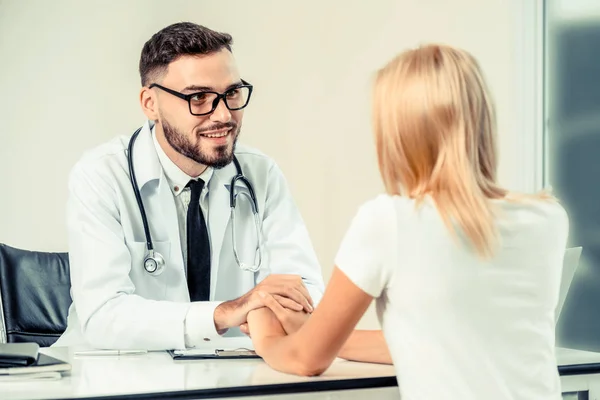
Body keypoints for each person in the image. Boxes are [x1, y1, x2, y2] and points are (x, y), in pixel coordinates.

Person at [247, 44, 568, 400]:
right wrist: (314, 329)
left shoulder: (390, 220)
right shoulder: (548, 218)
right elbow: (448, 336)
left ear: (402, 135)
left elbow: (306, 359)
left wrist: (267, 336)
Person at [53, 22, 324, 350]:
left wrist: (275, 312)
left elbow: (302, 291)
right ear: (150, 103)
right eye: (199, 97)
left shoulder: (259, 174)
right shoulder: (102, 176)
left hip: (228, 373)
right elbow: (103, 316)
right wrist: (225, 313)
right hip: (115, 374)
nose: (223, 114)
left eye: (232, 93)